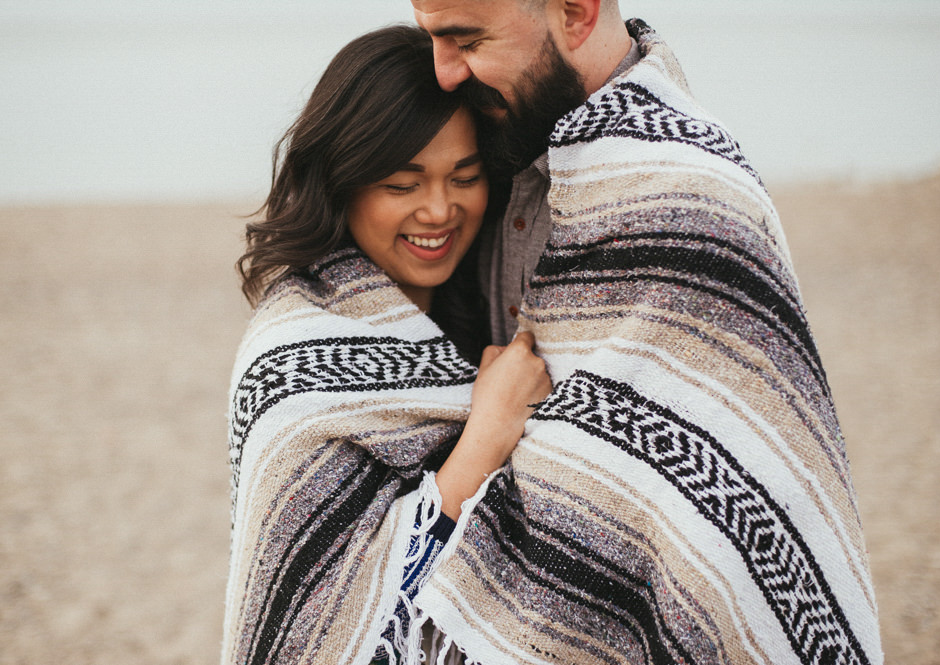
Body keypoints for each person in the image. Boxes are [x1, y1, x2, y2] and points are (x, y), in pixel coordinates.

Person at [404, 1, 885, 664]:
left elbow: (737, 521)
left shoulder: (692, 198)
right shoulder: (484, 152)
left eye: (466, 40)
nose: (444, 72)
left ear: (575, 12)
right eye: (432, 38)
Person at [222, 24, 550, 665]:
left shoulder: (476, 313)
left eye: (466, 176)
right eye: (402, 185)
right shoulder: (294, 355)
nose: (438, 210)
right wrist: (489, 432)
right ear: (343, 184)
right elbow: (325, 625)